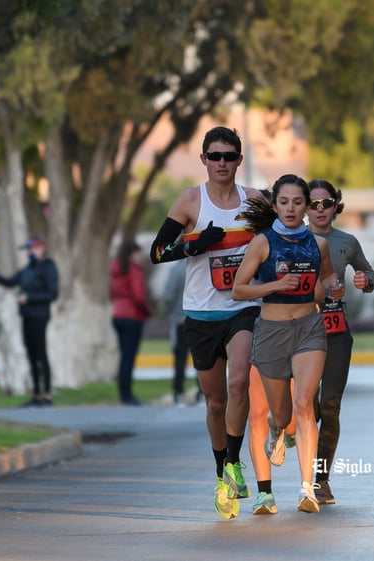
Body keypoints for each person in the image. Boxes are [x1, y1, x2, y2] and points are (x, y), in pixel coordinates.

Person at [149, 126, 263, 519]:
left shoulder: (255, 202)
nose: (222, 163)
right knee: (215, 402)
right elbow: (157, 252)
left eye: (229, 156)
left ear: (239, 161)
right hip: (200, 314)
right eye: (214, 156)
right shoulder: (189, 201)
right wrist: (194, 245)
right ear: (203, 160)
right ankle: (222, 474)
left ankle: (234, 462)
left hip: (241, 310)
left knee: (238, 381)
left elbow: (282, 236)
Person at [232, 174, 344, 514]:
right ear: (276, 205)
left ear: (307, 206)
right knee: (279, 414)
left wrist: (332, 287)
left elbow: (323, 282)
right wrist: (276, 284)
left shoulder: (318, 244)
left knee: (305, 404)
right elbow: (239, 289)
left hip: (310, 328)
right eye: (285, 202)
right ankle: (276, 430)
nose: (292, 209)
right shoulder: (262, 243)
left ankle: (306, 489)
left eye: (298, 202)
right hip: (271, 331)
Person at [305, 178, 374, 505]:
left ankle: (320, 479)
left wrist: (365, 280)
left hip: (335, 330)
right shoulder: (288, 238)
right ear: (305, 206)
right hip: (297, 330)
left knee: (329, 407)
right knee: (303, 405)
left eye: (327, 202)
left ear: (336, 205)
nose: (320, 210)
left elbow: (370, 275)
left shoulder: (346, 241)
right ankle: (283, 430)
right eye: (314, 203)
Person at [0, 236, 59, 407]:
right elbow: (10, 282)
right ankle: (36, 394)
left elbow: (52, 294)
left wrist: (30, 298)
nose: (29, 253)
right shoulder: (27, 270)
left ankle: (47, 395)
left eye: (32, 249)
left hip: (40, 316)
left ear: (42, 249)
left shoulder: (48, 267)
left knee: (41, 354)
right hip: (26, 316)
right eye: (27, 250)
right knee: (31, 355)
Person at [110, 239, 151, 406]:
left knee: (123, 356)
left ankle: (123, 392)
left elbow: (112, 293)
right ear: (133, 252)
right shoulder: (133, 270)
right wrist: (147, 311)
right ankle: (127, 395)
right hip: (132, 316)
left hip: (118, 314)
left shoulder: (115, 269)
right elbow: (138, 296)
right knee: (129, 356)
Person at [162, 259, 199, 406]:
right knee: (201, 358)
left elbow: (168, 296)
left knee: (180, 359)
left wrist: (171, 313)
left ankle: (178, 393)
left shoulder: (176, 270)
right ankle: (202, 393)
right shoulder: (200, 265)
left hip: (179, 320)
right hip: (199, 318)